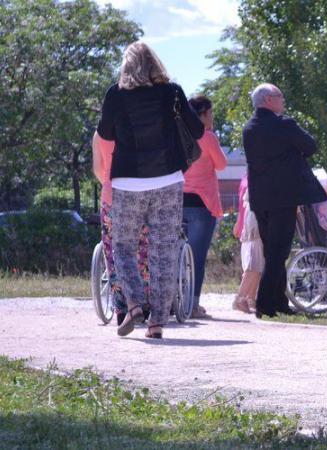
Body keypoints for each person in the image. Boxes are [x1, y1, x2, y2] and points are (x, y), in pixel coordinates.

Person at [95, 41, 204, 339]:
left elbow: (105, 132)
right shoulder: (172, 92)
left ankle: (133, 304)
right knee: (163, 251)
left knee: (123, 247)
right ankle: (156, 323)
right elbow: (197, 131)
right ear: (156, 63)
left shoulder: (115, 94)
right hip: (168, 180)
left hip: (127, 182)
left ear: (126, 66)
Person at [242, 83, 327, 318]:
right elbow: (310, 146)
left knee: (272, 251)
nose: (283, 100)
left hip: (260, 199)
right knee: (279, 252)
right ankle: (264, 303)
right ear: (268, 100)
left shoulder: (249, 128)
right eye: (280, 96)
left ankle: (279, 302)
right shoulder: (285, 125)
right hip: (284, 198)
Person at [92, 133, 150, 326]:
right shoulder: (138, 124)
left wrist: (108, 182)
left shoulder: (100, 133)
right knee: (142, 249)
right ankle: (143, 302)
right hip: (138, 195)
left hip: (111, 197)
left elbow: (98, 169)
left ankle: (121, 307)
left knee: (113, 252)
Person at [183, 95, 228, 319]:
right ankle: (192, 305)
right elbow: (221, 165)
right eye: (210, 112)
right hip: (202, 204)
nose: (212, 116)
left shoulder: (178, 134)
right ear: (202, 115)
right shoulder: (207, 137)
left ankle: (173, 302)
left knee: (174, 255)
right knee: (196, 258)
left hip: (178, 202)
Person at [233, 174, 263, 314]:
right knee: (254, 264)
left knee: (257, 264)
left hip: (254, 218)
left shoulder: (251, 174)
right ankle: (240, 298)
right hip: (257, 220)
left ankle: (249, 298)